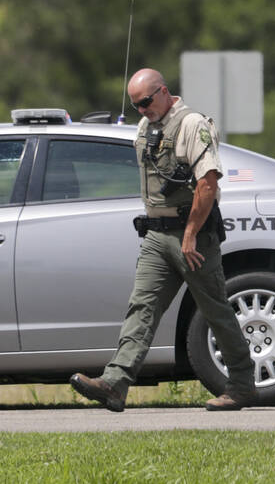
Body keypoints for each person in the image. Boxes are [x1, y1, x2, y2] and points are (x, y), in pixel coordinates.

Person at [70, 69, 257, 412]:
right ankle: (115, 383)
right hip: (156, 235)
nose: (142, 110)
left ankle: (242, 385)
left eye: (146, 102)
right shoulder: (146, 126)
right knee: (142, 307)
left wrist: (190, 234)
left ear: (163, 91)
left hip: (193, 237)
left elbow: (207, 184)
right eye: (135, 105)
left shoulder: (191, 125)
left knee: (214, 308)